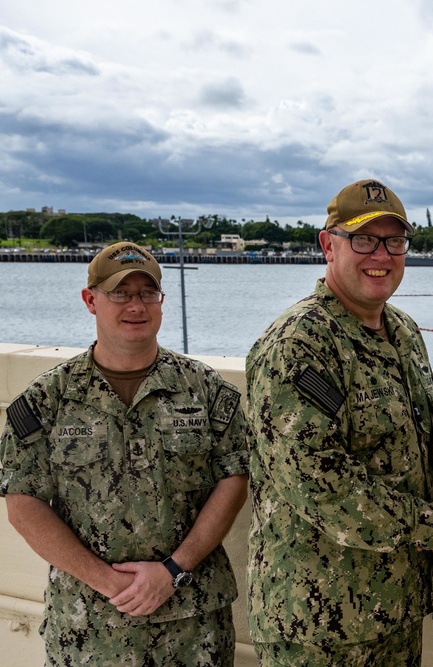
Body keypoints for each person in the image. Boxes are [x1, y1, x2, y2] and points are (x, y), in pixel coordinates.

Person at [245, 178, 433, 666]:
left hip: (393, 608)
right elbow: (317, 482)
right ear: (329, 245)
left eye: (395, 241)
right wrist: (431, 525)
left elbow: (424, 427)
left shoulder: (404, 332)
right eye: (365, 239)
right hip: (318, 622)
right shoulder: (299, 344)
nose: (383, 255)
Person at [0, 242, 249, 665]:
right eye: (120, 293)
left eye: (147, 293)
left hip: (194, 625)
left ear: (160, 301)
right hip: (89, 626)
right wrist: (108, 582)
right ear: (90, 300)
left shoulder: (205, 390)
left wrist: (173, 570)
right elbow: (23, 502)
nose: (136, 305)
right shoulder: (49, 397)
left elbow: (234, 478)